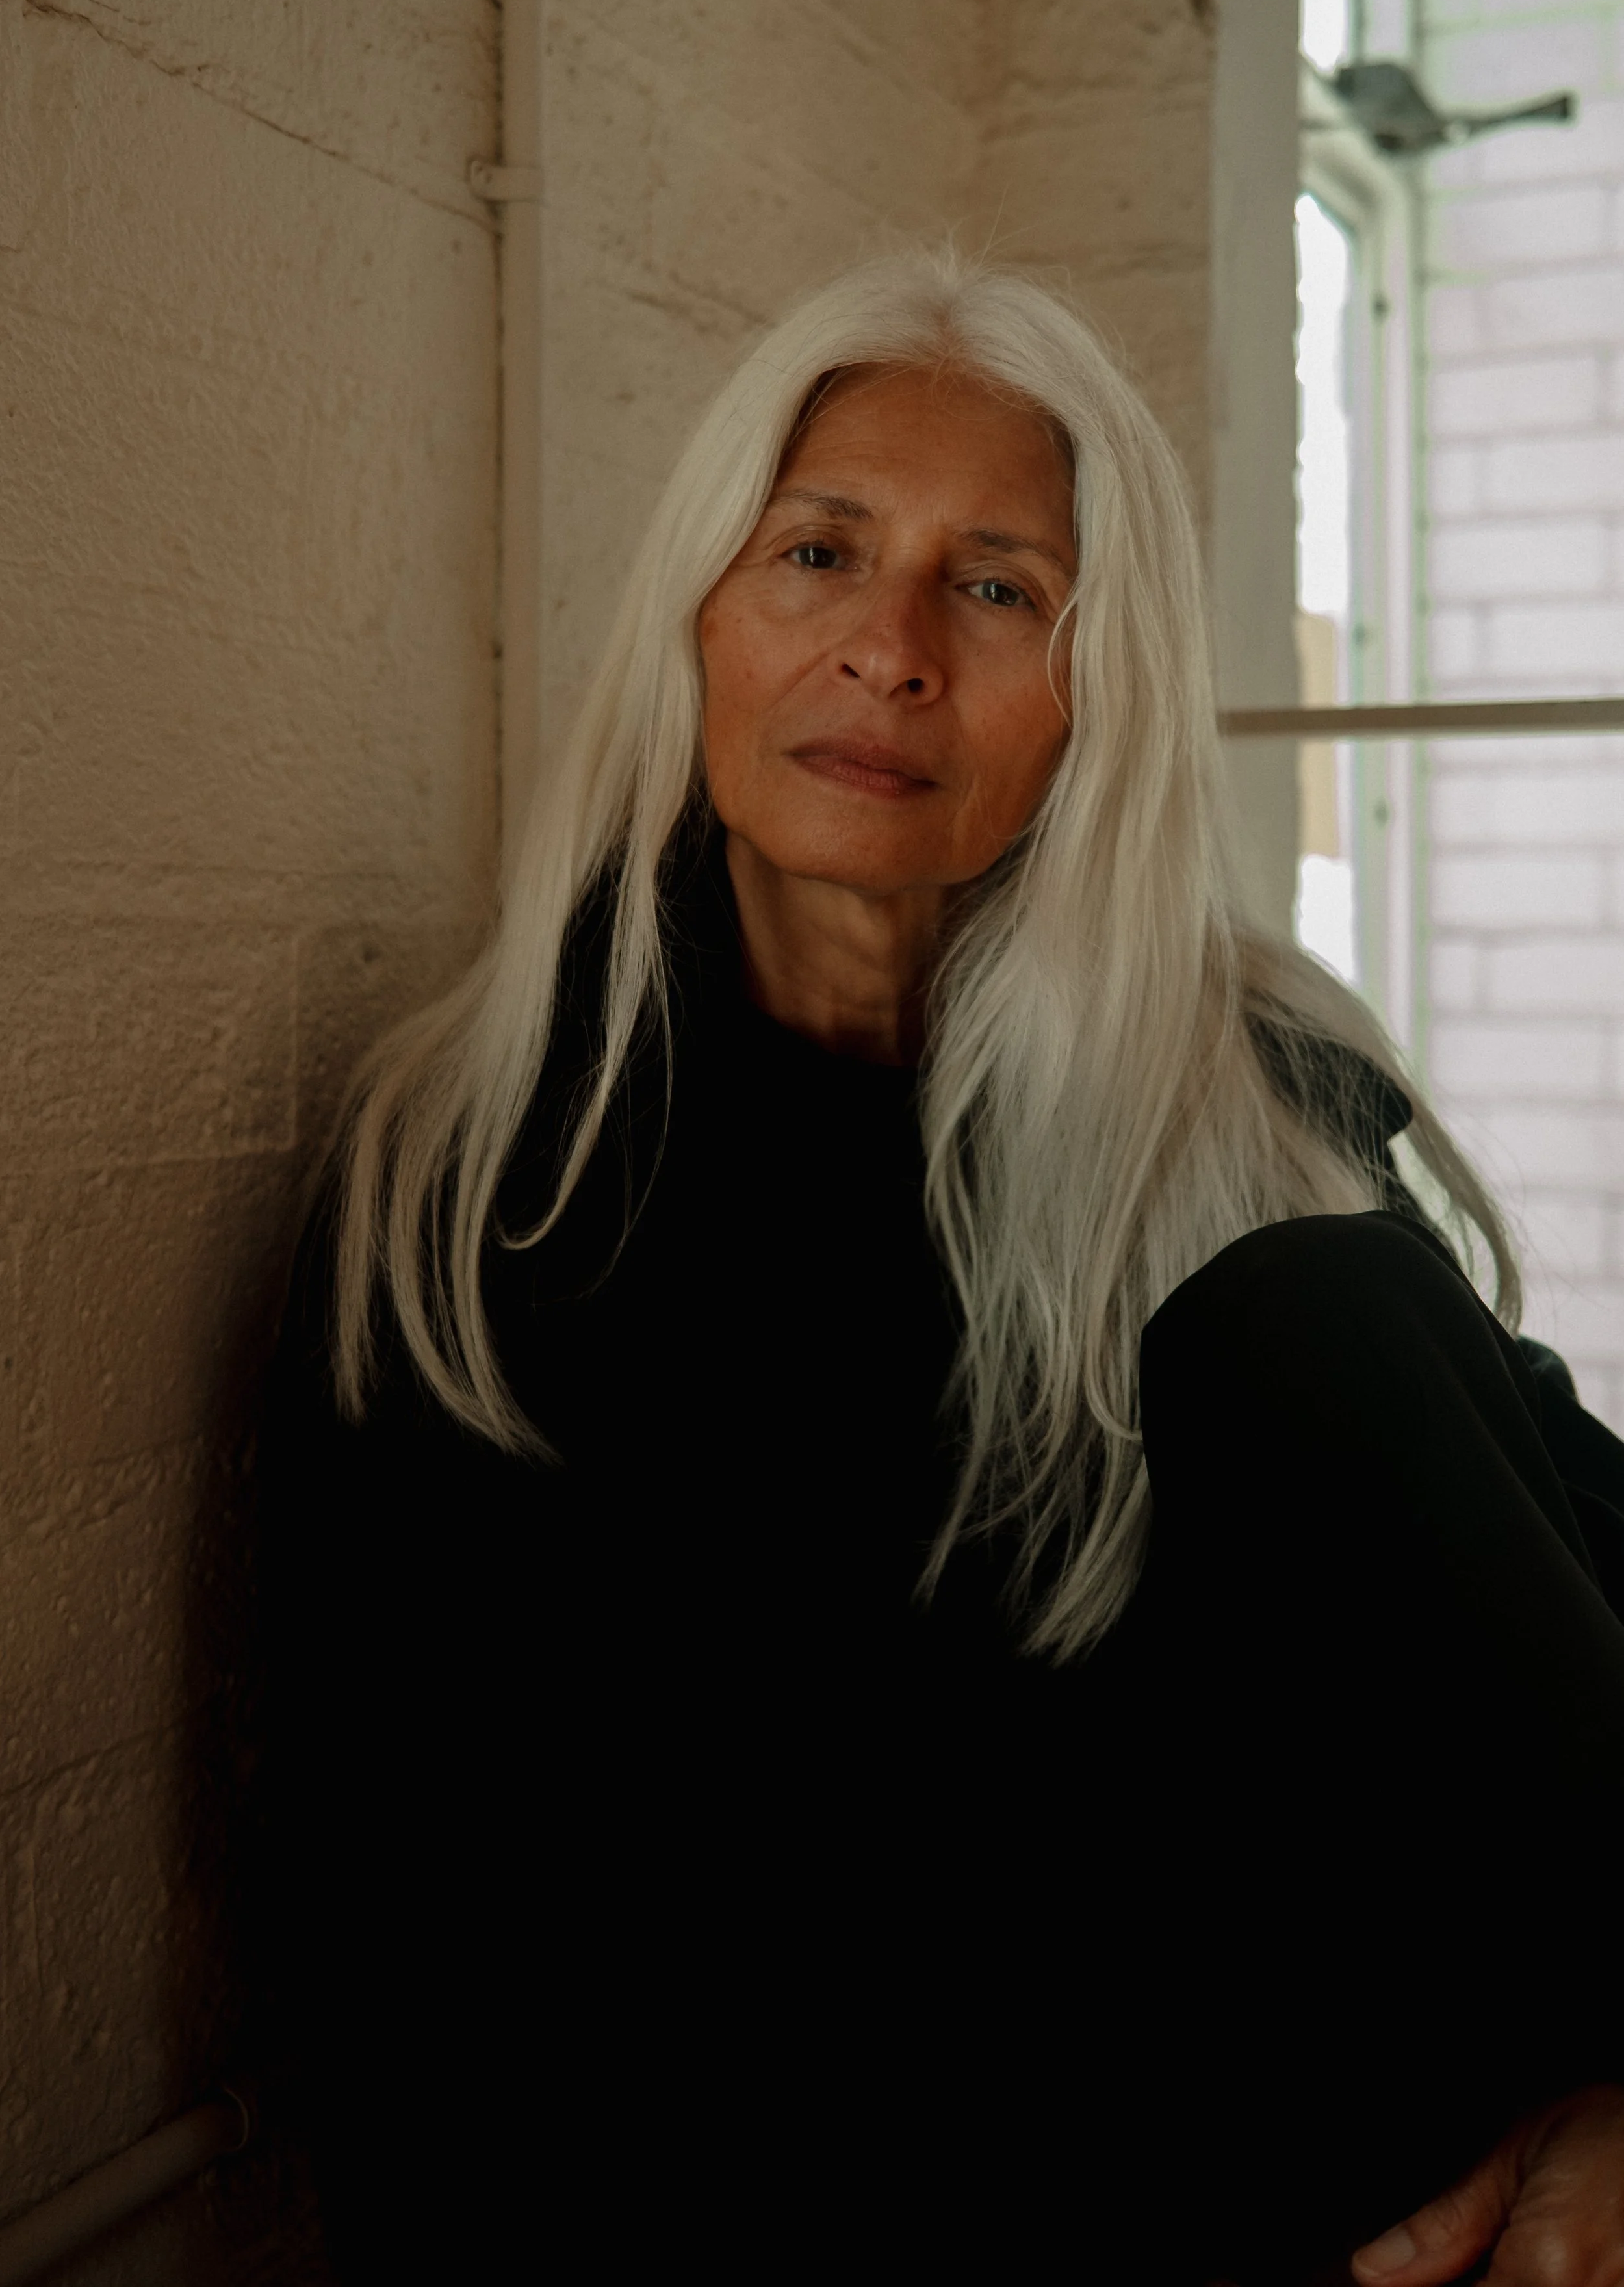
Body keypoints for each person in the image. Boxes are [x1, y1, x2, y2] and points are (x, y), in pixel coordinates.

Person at [257, 252, 1624, 2284]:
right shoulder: (477, 1189)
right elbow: (399, 1941)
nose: (888, 649)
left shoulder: (1247, 1094)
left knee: (1303, 1272)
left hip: (1262, 2131)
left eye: (994, 585)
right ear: (703, 621)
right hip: (748, 2164)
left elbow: (1555, 1561)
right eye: (817, 552)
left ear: (1100, 687)